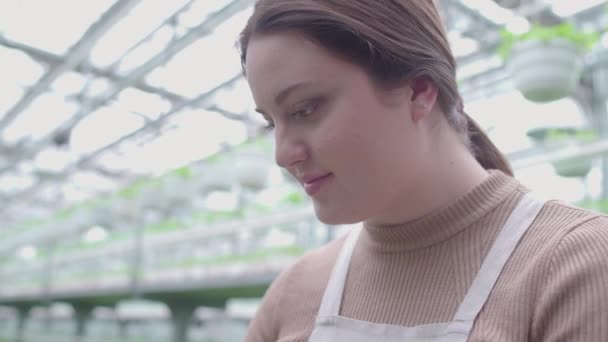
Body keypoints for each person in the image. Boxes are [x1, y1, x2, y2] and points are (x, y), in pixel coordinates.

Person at [238, 1, 608, 341]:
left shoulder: (578, 266)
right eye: (272, 123)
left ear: (417, 90)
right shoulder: (295, 291)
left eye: (305, 109)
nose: (283, 155)